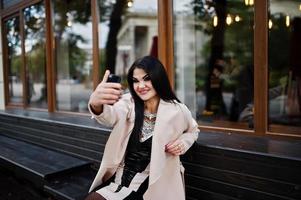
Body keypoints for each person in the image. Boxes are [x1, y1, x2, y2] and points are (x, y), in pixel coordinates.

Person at [85, 56, 199, 200]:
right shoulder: (128, 103)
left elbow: (193, 131)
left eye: (146, 79)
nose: (141, 86)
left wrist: (183, 142)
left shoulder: (178, 110)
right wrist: (96, 103)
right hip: (117, 180)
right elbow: (109, 116)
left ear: (158, 78)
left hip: (154, 186)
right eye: (135, 81)